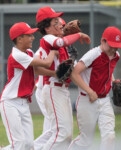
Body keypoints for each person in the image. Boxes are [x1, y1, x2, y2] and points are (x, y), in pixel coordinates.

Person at [0, 22, 58, 150]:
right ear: (19, 39)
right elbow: (46, 63)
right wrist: (54, 50)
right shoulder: (17, 55)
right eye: (29, 35)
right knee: (19, 143)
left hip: (23, 103)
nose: (33, 37)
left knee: (29, 145)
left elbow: (36, 70)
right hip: (10, 102)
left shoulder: (28, 52)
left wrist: (54, 73)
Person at [33, 6, 91, 150]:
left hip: (61, 90)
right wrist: (79, 35)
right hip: (52, 89)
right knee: (61, 133)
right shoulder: (48, 39)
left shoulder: (61, 46)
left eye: (60, 22)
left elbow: (74, 68)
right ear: (46, 27)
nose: (60, 25)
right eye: (56, 23)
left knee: (65, 135)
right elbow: (60, 42)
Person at [68, 26, 121, 150]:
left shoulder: (116, 55)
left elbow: (108, 70)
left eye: (117, 46)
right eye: (111, 45)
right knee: (85, 141)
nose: (114, 49)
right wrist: (90, 91)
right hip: (87, 100)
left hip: (104, 101)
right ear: (102, 41)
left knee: (110, 137)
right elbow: (74, 74)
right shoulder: (93, 54)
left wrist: (113, 82)